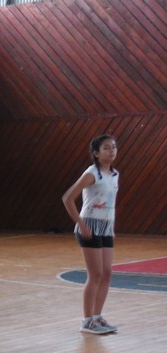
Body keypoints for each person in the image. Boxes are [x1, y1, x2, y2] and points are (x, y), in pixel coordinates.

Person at [62, 134, 119, 335]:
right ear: (96, 153)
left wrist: (111, 227)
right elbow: (68, 198)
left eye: (113, 147)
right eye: (106, 147)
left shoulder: (114, 174)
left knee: (107, 273)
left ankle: (97, 317)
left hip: (105, 228)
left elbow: (109, 204)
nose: (111, 150)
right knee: (95, 274)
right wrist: (81, 223)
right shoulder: (92, 173)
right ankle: (87, 321)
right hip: (90, 226)